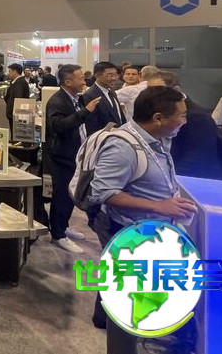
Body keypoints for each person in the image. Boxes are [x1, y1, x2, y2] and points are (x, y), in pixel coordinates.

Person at [89, 86, 196, 353]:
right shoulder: (123, 146)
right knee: (126, 308)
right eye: (181, 116)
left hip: (150, 232)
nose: (185, 121)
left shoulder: (154, 139)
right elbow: (103, 192)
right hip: (128, 234)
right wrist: (160, 206)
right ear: (158, 118)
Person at [43, 65, 101, 254]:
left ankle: (63, 226)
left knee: (69, 195)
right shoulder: (57, 101)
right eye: (80, 78)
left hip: (75, 156)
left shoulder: (76, 98)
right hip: (62, 158)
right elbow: (59, 126)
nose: (84, 81)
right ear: (68, 81)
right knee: (61, 196)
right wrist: (86, 112)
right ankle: (58, 235)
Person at [83, 61, 125, 136]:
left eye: (115, 75)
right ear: (97, 76)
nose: (114, 78)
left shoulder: (111, 91)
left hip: (118, 136)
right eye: (109, 75)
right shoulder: (90, 95)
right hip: (103, 138)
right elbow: (91, 126)